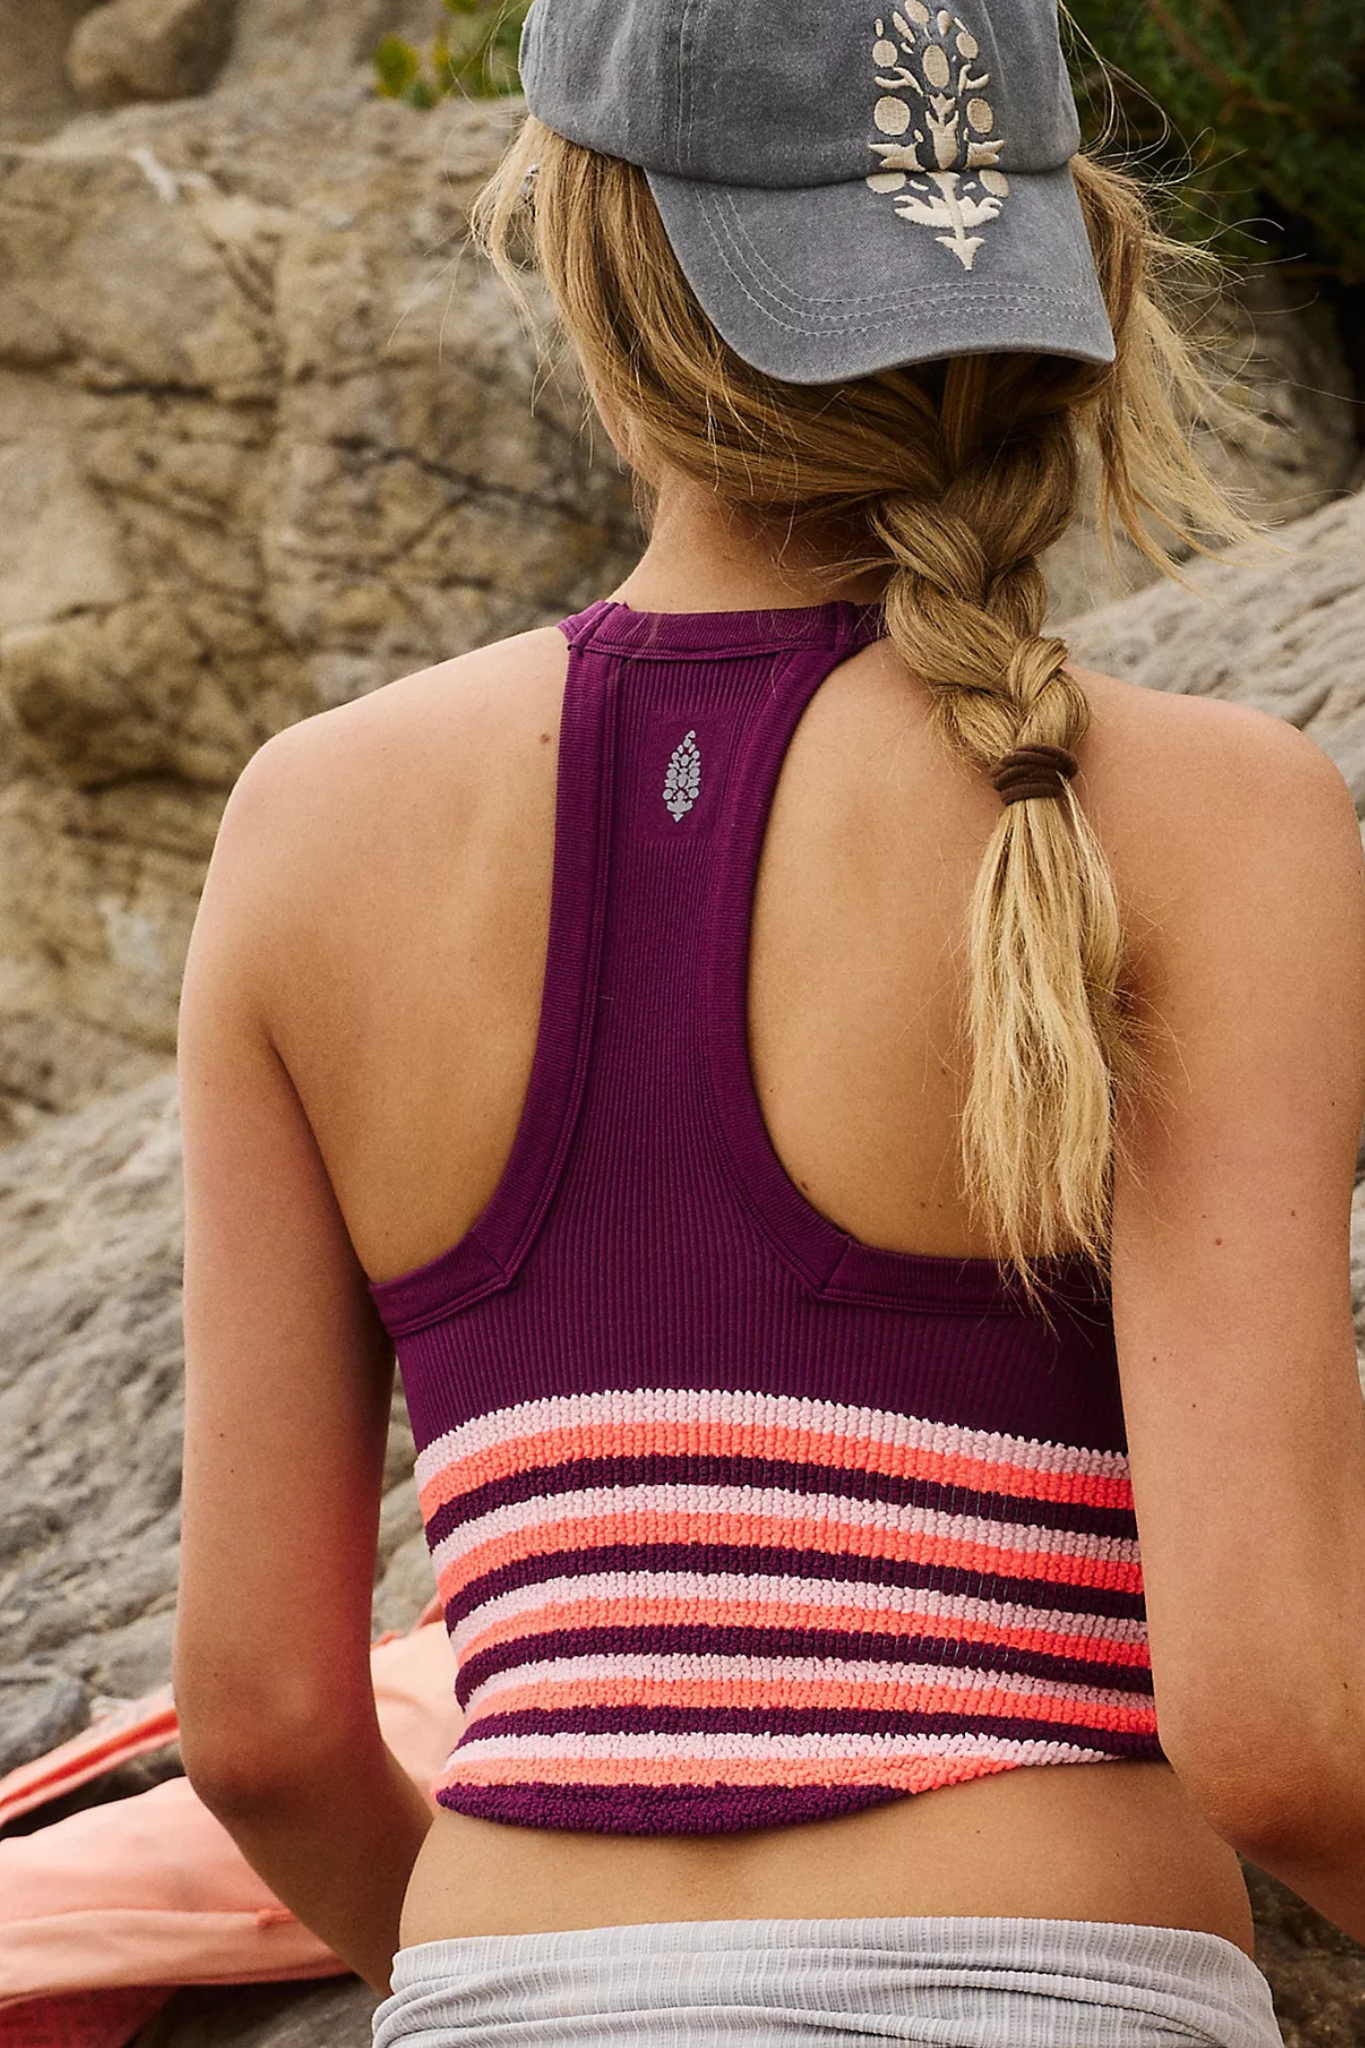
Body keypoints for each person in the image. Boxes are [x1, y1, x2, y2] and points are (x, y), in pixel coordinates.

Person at [170, 0, 1365, 2041]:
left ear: (580, 251)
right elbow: (1282, 1727)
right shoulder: (1199, 816)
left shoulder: (312, 824)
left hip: (512, 1988)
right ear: (1064, 256)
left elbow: (265, 1727)